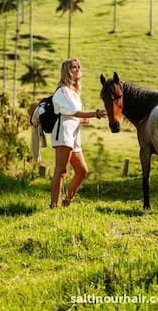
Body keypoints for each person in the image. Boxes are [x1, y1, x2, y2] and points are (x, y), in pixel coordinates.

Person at [49, 58, 106, 208]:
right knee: (61, 170)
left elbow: (73, 114)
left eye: (79, 67)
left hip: (74, 135)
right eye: (74, 67)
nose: (77, 69)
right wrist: (95, 114)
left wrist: (83, 119)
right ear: (67, 70)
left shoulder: (74, 91)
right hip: (63, 132)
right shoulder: (62, 90)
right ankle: (53, 206)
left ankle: (67, 201)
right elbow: (72, 112)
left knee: (82, 171)